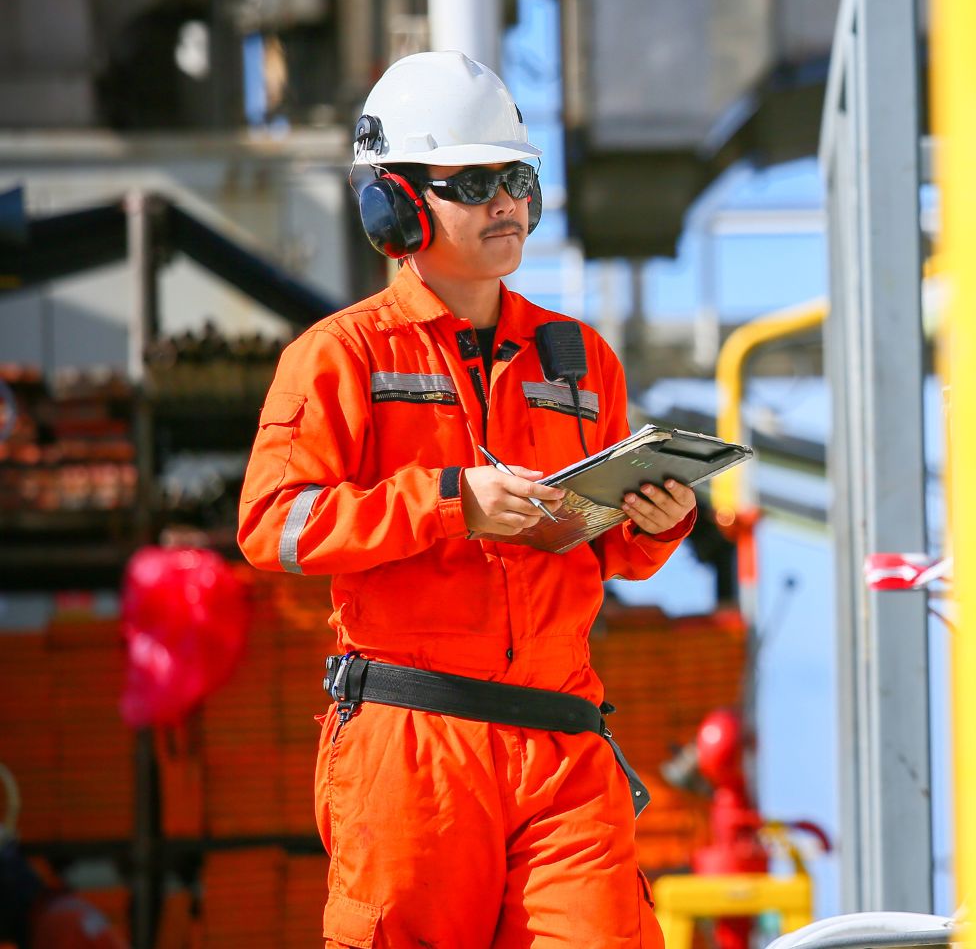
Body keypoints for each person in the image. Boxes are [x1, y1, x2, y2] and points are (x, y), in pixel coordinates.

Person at [237, 50, 693, 948]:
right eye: (475, 184)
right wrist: (451, 502)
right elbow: (271, 526)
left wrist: (655, 522)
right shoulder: (342, 357)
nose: (507, 204)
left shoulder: (582, 360)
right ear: (397, 204)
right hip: (413, 751)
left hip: (564, 750)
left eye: (517, 180)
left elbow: (606, 549)